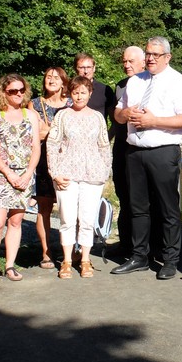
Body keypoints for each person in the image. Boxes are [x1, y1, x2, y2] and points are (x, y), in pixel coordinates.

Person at [112, 36, 182, 280]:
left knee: (167, 207)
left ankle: (170, 259)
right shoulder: (135, 82)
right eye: (148, 53)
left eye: (155, 55)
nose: (150, 58)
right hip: (135, 151)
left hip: (162, 151)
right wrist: (125, 113)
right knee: (137, 207)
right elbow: (117, 114)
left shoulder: (179, 82)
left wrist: (154, 121)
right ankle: (140, 256)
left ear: (167, 57)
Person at [0, 74, 41, 285]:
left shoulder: (30, 115)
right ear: (3, 92)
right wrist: (8, 173)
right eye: (13, 91)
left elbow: (36, 148)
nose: (18, 94)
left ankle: (10, 265)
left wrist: (29, 173)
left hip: (24, 175)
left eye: (21, 90)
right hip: (0, 174)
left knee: (16, 221)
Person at [47, 76, 112, 279]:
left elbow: (104, 145)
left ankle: (85, 259)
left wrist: (104, 170)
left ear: (90, 94)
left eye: (83, 92)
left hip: (92, 175)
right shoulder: (62, 116)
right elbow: (52, 143)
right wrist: (55, 172)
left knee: (86, 219)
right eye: (75, 92)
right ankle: (67, 260)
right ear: (69, 93)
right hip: (66, 175)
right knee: (67, 218)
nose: (79, 96)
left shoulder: (97, 117)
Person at [30, 67, 71, 269]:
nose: (51, 80)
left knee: (70, 208)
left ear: (64, 82)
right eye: (48, 76)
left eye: (56, 77)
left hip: (68, 162)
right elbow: (33, 134)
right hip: (43, 163)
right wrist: (57, 133)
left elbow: (74, 135)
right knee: (44, 207)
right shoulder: (35, 104)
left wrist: (49, 132)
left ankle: (70, 252)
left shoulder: (72, 104)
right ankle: (46, 252)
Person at [111, 46, 146, 257]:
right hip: (122, 147)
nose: (126, 65)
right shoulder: (120, 86)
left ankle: (147, 246)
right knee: (123, 195)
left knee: (143, 199)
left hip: (142, 147)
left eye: (131, 61)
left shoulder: (151, 83)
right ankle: (126, 243)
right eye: (124, 61)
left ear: (143, 62)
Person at [75, 52, 116, 131]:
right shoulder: (69, 90)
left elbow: (114, 121)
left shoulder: (105, 90)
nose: (86, 71)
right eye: (82, 67)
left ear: (94, 68)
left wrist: (107, 138)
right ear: (75, 68)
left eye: (89, 67)